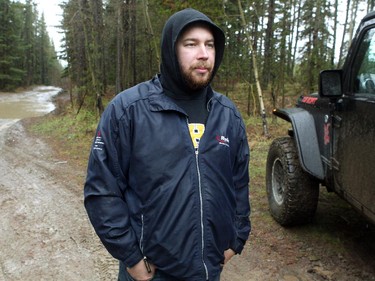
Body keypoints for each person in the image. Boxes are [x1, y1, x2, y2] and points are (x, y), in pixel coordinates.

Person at [84, 8, 251, 281]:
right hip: (151, 272)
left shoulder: (227, 114)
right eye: (191, 44)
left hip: (208, 270)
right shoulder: (129, 110)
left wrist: (237, 237)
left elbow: (239, 182)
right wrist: (131, 258)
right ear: (170, 50)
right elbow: (102, 190)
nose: (203, 54)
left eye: (210, 45)